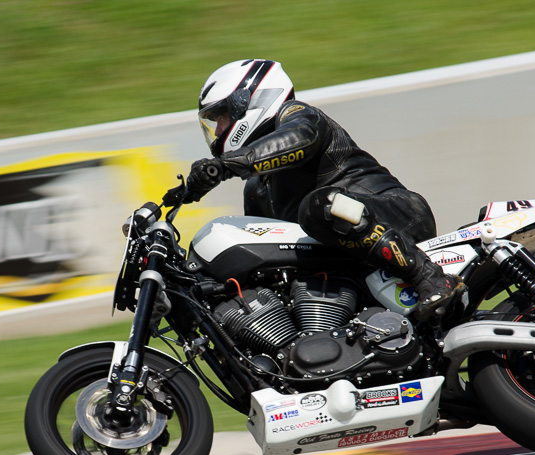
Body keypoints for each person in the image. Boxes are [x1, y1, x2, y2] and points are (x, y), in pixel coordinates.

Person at [171, 59, 464, 321]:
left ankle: (430, 276)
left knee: (320, 206)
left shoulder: (299, 116)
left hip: (398, 215)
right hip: (348, 262)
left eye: (222, 116)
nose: (218, 129)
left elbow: (299, 138)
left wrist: (225, 166)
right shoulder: (256, 189)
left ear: (246, 103)